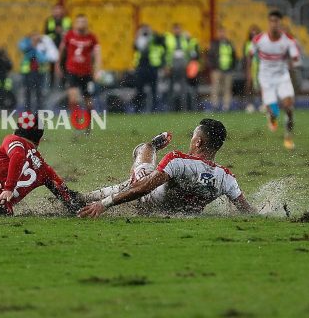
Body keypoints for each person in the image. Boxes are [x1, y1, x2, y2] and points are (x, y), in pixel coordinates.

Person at [78, 119, 255, 217]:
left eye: (193, 137)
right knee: (129, 185)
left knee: (144, 150)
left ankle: (153, 146)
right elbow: (247, 211)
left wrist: (104, 204)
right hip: (177, 212)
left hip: (147, 202)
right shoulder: (227, 178)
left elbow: (141, 189)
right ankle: (83, 198)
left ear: (198, 142)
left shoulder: (178, 160)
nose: (191, 140)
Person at [246, 10, 300, 150]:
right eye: (272, 21)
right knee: (273, 110)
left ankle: (288, 138)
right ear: (268, 23)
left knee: (289, 107)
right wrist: (250, 75)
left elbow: (295, 59)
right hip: (266, 77)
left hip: (282, 76)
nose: (274, 24)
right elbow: (250, 55)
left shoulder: (288, 40)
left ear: (280, 23)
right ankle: (272, 116)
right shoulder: (259, 39)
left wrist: (293, 64)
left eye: (277, 21)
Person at [56, 14, 101, 120]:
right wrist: (58, 65)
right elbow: (61, 51)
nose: (81, 24)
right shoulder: (69, 36)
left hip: (87, 73)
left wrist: (97, 70)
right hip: (72, 71)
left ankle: (88, 123)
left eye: (83, 22)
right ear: (75, 24)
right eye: (79, 22)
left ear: (87, 24)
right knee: (73, 98)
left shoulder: (92, 37)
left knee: (88, 102)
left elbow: (97, 54)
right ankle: (76, 121)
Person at [164, 23, 199, 111]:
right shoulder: (169, 39)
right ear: (173, 30)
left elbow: (192, 49)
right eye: (175, 29)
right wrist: (167, 66)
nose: (177, 31)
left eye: (178, 29)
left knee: (183, 87)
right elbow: (166, 53)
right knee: (171, 88)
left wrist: (189, 38)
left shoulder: (185, 39)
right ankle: (171, 108)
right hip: (172, 66)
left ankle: (184, 108)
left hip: (183, 66)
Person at [132, 24, 166, 112]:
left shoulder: (154, 38)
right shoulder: (140, 38)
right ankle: (138, 109)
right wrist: (138, 34)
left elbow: (161, 41)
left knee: (153, 89)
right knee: (139, 89)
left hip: (152, 66)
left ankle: (154, 109)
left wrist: (152, 33)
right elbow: (136, 46)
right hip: (141, 66)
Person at [208, 27, 238, 111]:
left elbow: (234, 56)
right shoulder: (214, 43)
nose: (222, 34)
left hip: (228, 70)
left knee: (227, 88)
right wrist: (212, 68)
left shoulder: (229, 43)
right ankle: (215, 106)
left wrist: (233, 67)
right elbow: (210, 56)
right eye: (220, 32)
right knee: (215, 88)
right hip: (217, 69)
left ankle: (226, 106)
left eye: (223, 32)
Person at [19, 32, 49, 111]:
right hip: (28, 72)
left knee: (39, 92)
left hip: (39, 72)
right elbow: (22, 48)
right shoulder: (26, 44)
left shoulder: (42, 46)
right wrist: (32, 46)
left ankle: (39, 110)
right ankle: (27, 110)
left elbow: (44, 58)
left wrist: (36, 49)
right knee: (28, 91)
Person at [44, 4, 72, 87]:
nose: (57, 11)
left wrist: (62, 31)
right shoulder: (49, 20)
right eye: (56, 9)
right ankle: (51, 84)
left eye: (59, 9)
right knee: (52, 65)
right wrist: (55, 33)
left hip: (64, 46)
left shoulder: (67, 20)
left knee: (63, 64)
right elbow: (46, 33)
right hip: (53, 46)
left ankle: (63, 83)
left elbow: (70, 32)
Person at [242, 25, 261, 112]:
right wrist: (248, 70)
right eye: (252, 34)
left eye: (255, 34)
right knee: (250, 85)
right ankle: (250, 104)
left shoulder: (261, 43)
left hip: (261, 67)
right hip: (252, 67)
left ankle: (263, 104)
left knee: (261, 86)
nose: (254, 36)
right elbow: (247, 58)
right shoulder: (248, 44)